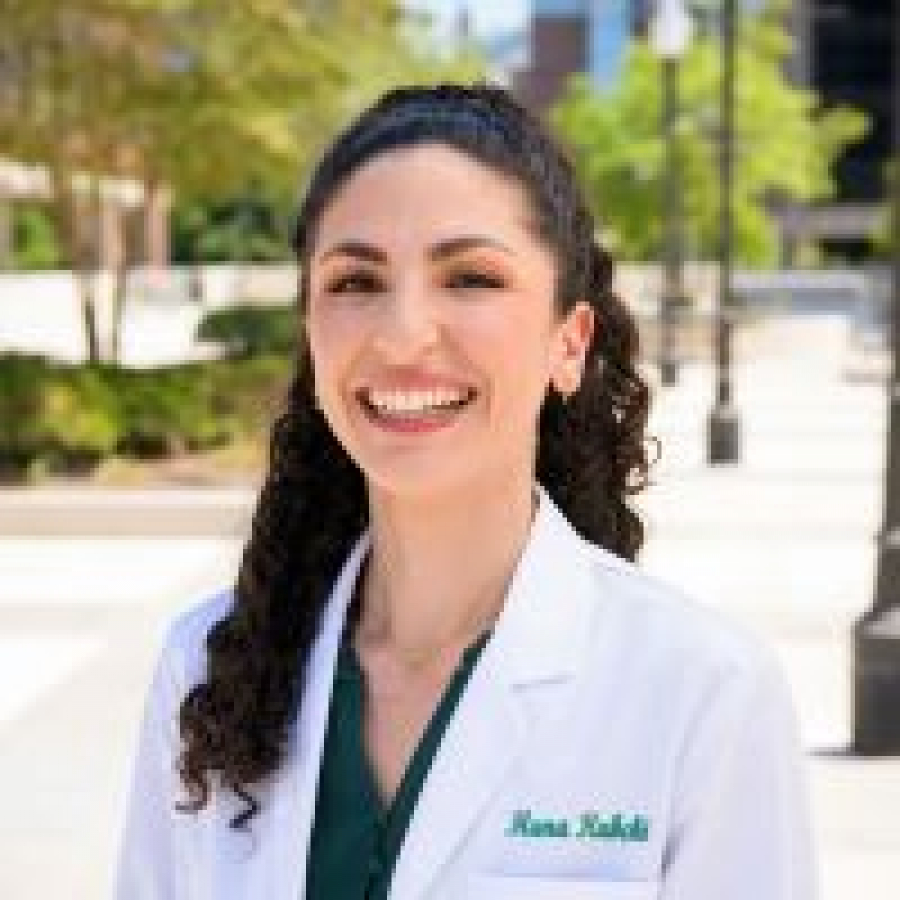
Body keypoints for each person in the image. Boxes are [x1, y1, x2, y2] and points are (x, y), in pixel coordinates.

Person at [114, 84, 817, 900]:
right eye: (355, 282)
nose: (403, 334)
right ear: (310, 332)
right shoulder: (206, 668)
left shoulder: (702, 690)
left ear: (569, 343)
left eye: (471, 277)